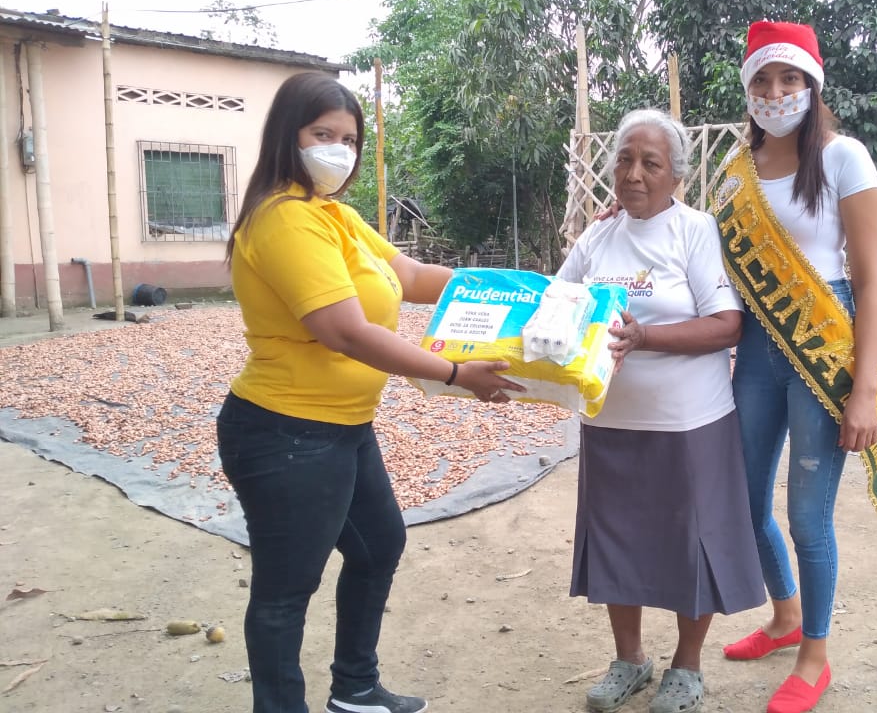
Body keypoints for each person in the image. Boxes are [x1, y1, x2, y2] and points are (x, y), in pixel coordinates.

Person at [216, 71, 523, 713]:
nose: (339, 150)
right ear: (288, 136)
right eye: (322, 134)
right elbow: (346, 332)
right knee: (286, 590)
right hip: (285, 431)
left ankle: (355, 690)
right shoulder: (283, 220)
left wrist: (515, 289)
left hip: (344, 426)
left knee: (379, 544)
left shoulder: (337, 216)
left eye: (350, 139)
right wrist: (455, 374)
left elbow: (410, 275)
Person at [714, 21, 877, 713]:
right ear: (748, 90)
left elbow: (868, 285)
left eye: (790, 79)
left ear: (812, 85)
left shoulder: (843, 158)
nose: (776, 93)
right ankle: (784, 618)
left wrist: (863, 391)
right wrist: (626, 217)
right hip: (756, 350)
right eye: (763, 81)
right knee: (744, 505)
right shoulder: (736, 172)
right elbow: (707, 254)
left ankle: (814, 655)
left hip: (822, 348)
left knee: (806, 517)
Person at [557, 108, 766, 713]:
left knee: (690, 544)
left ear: (677, 175)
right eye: (624, 160)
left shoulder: (694, 230)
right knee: (617, 540)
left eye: (651, 163)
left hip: (689, 423)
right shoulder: (597, 237)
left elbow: (726, 325)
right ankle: (629, 660)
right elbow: (557, 302)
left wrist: (644, 337)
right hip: (609, 421)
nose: (634, 174)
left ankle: (687, 666)